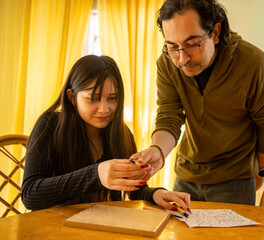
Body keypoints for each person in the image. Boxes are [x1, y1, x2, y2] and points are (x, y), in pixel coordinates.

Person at [131, 0, 264, 205]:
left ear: (215, 32)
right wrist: (157, 150)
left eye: (192, 44)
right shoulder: (168, 64)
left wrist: (261, 170)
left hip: (235, 178)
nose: (183, 59)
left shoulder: (254, 65)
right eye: (173, 47)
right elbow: (169, 115)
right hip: (186, 176)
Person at [21, 55, 190, 211]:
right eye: (93, 98)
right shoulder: (50, 125)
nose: (104, 109)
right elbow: (30, 194)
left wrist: (156, 194)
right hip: (55, 226)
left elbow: (133, 189)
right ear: (72, 97)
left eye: (112, 98)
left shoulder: (122, 134)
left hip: (101, 227)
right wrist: (96, 174)